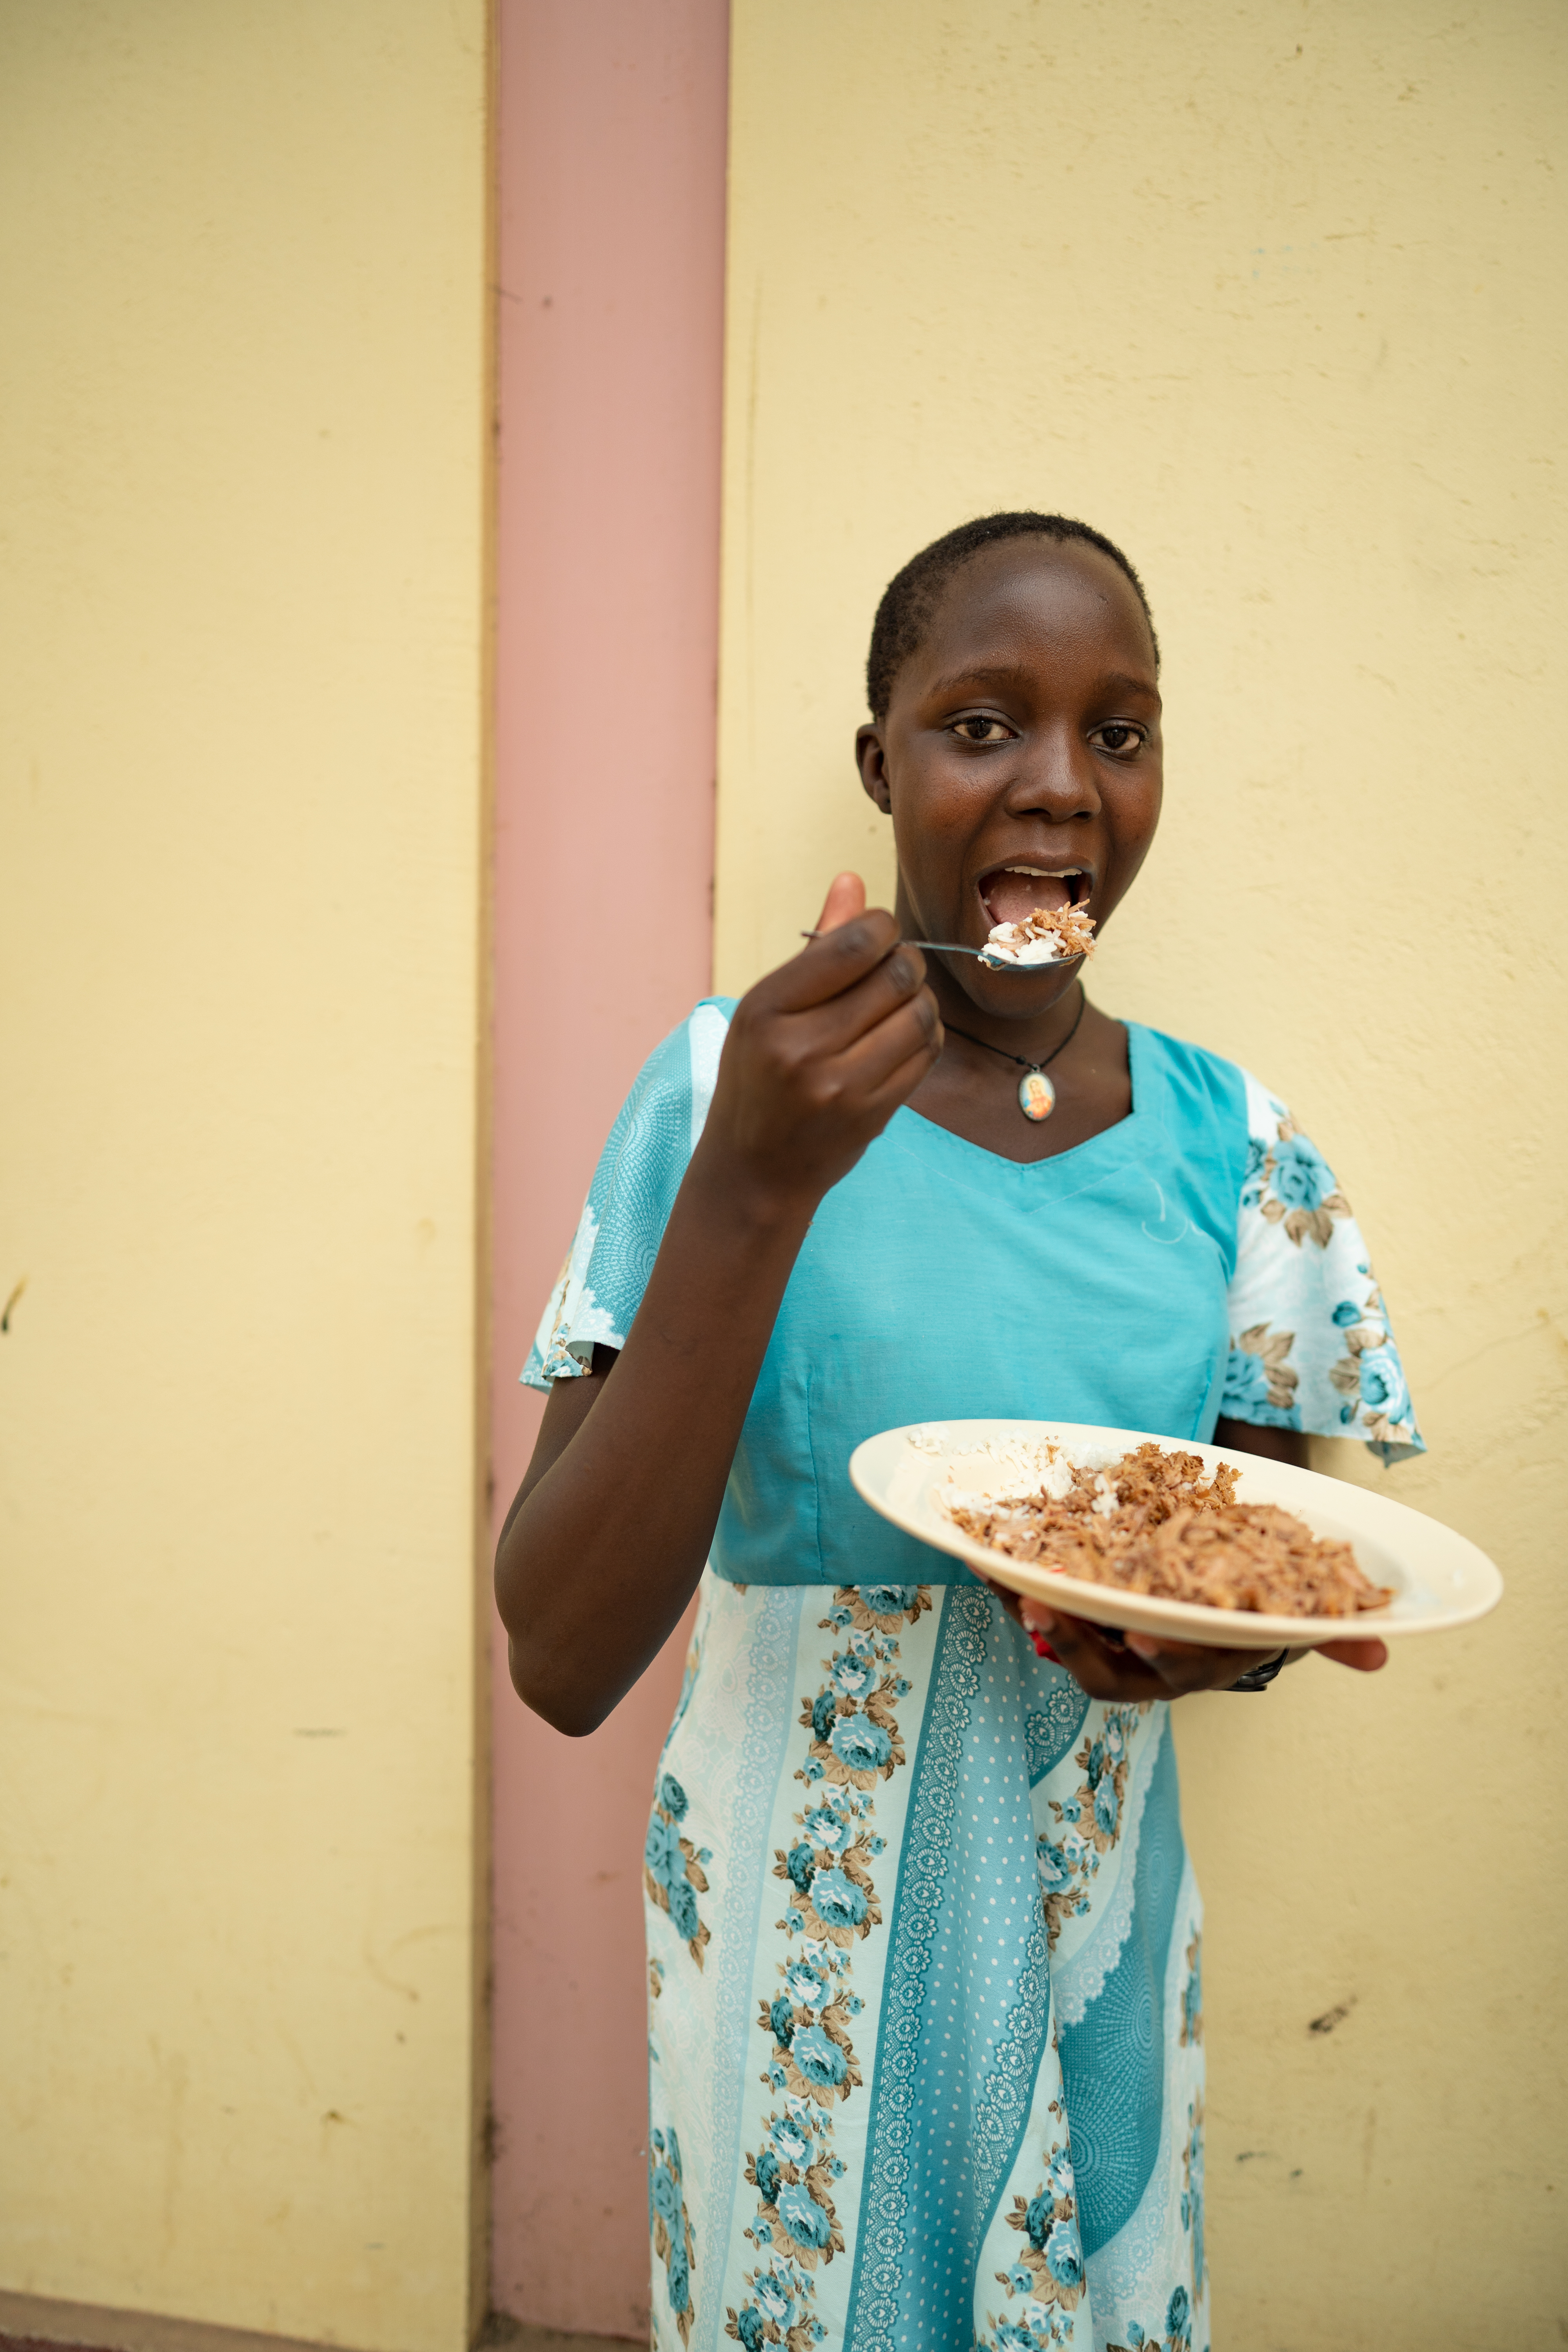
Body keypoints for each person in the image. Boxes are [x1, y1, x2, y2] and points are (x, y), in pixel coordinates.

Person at [494, 512, 1422, 2352]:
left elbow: (1262, 1559)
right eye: (982, 726)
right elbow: (564, 1653)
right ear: (880, 763)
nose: (1061, 792)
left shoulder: (1237, 1152)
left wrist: (1204, 1652)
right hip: (795, 1944)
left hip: (1098, 1918)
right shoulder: (719, 1091)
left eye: (1119, 733)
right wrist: (759, 1185)